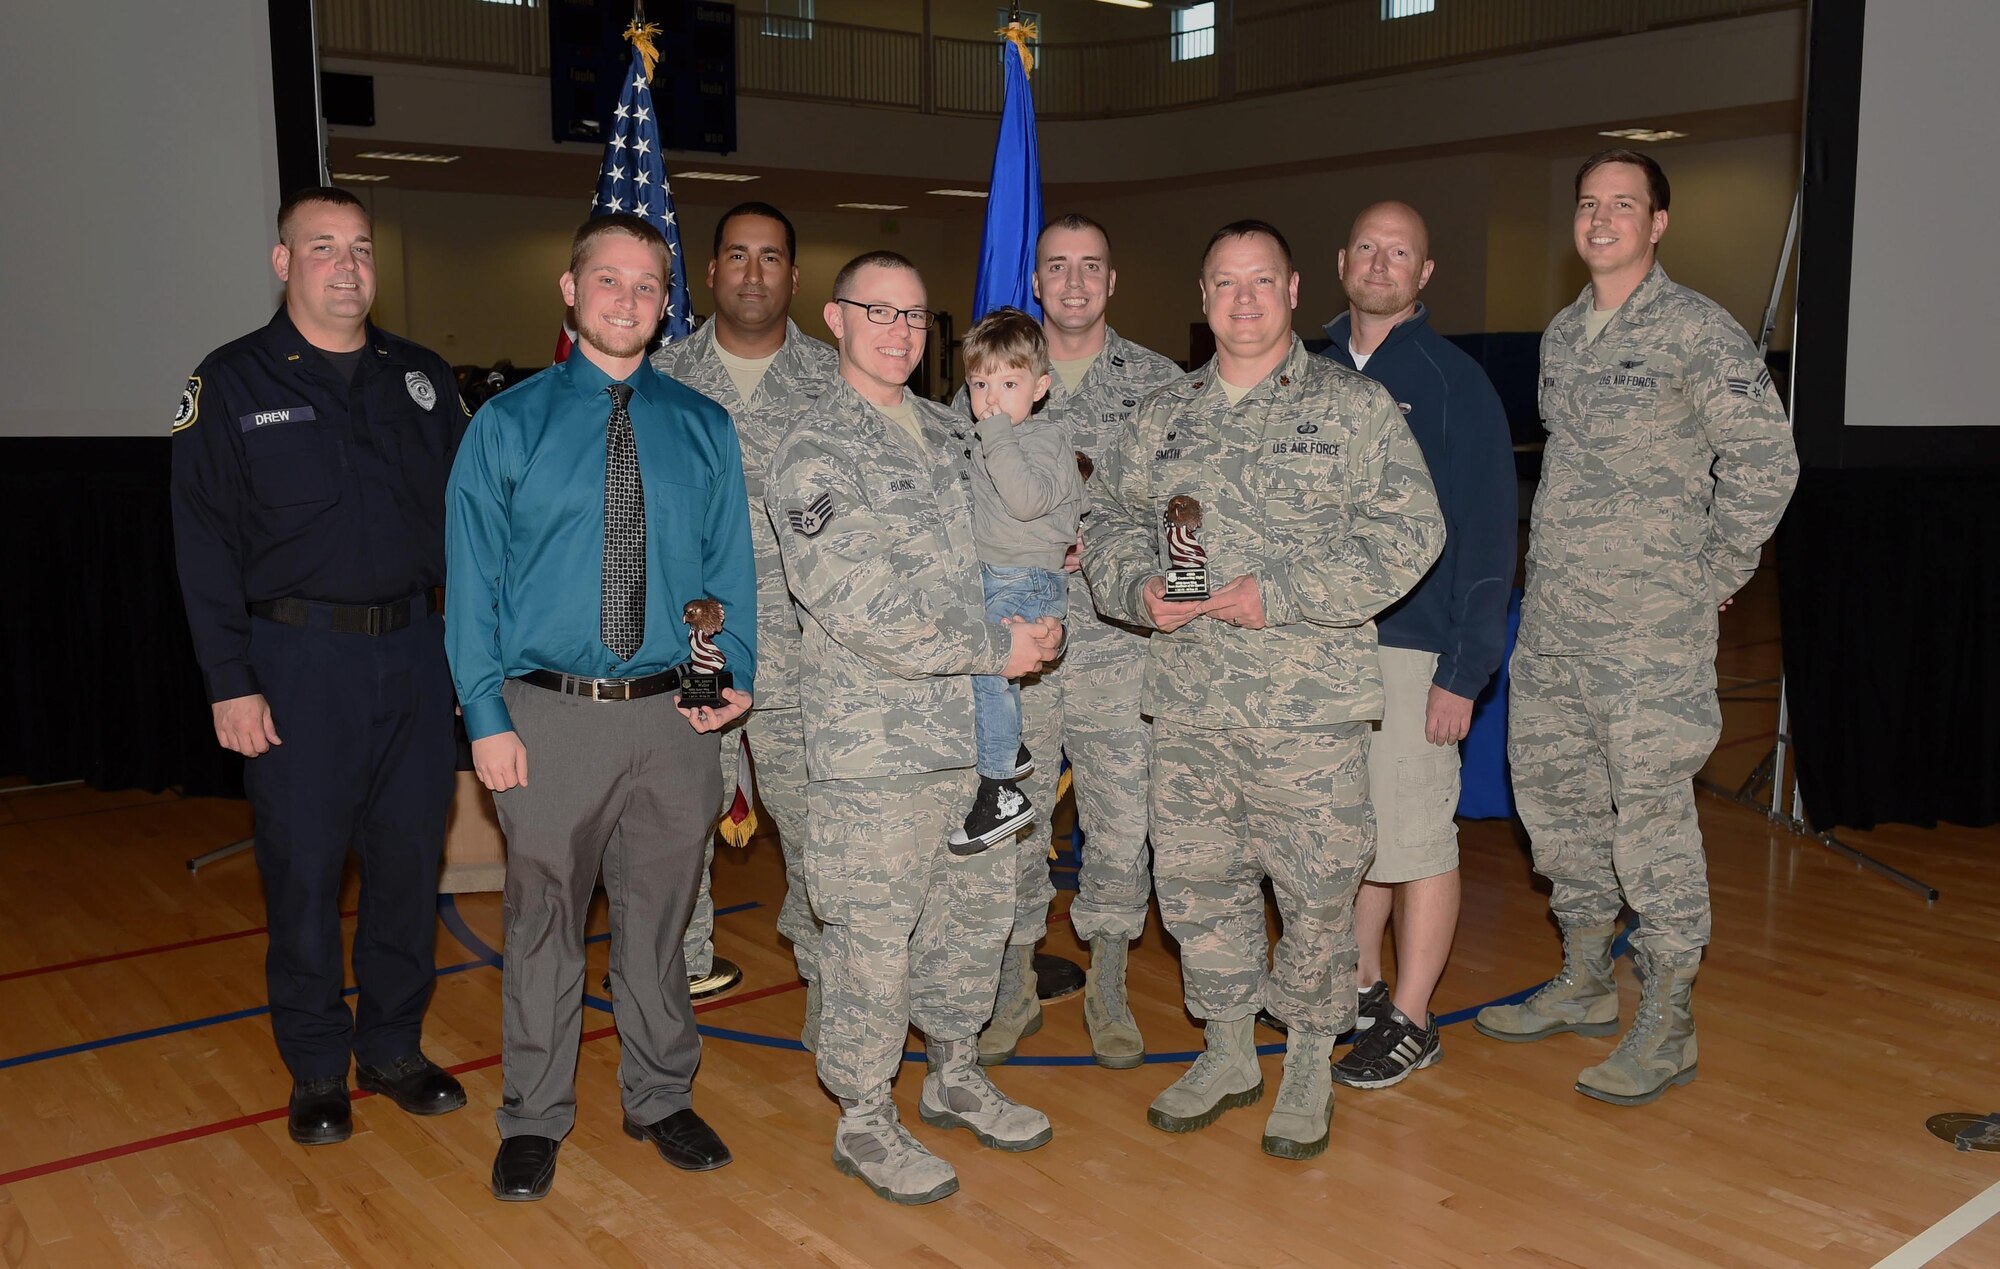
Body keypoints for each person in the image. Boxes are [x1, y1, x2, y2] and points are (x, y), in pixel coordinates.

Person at [1088, 221, 1443, 1159]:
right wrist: (1137, 589)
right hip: (1190, 706)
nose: (1242, 301)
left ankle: (1313, 1060)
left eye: (1260, 283)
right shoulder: (1160, 416)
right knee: (1199, 889)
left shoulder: (1354, 409)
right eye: (1223, 284)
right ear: (1202, 301)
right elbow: (1111, 524)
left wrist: (1277, 594)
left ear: (1292, 291)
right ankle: (1229, 1049)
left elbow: (1413, 534)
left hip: (1307, 711)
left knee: (1319, 892)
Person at [1473, 150, 1797, 1106]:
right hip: (1560, 623)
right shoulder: (1566, 334)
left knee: (1650, 819)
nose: (1602, 218)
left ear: (1658, 224)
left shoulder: (1697, 330)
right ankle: (1583, 977)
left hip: (1650, 633)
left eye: (1624, 205)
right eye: (1588, 204)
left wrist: (1711, 577)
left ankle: (1669, 1014)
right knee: (1558, 802)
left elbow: (1765, 461)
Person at [445, 213, 757, 1200]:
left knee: (661, 923)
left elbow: (729, 571)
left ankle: (661, 1093)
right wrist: (484, 718)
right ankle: (534, 1114)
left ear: (668, 303)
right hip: (547, 718)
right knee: (541, 923)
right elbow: (471, 586)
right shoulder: (506, 425)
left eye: (647, 284)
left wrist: (733, 667)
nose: (627, 299)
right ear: (569, 292)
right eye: (607, 281)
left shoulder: (703, 428)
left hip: (674, 720)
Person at [170, 186, 468, 1147]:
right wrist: (229, 679)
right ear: (282, 261)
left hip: (418, 656)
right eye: (324, 247)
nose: (347, 266)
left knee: (407, 864)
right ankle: (315, 1066)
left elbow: (472, 529)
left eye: (362, 248)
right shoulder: (233, 382)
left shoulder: (422, 380)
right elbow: (204, 544)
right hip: (295, 661)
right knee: (302, 874)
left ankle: (391, 1046)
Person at [768, 252, 1064, 1205]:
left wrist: (1047, 595)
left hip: (975, 737)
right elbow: (857, 603)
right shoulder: (816, 448)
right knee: (871, 936)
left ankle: (956, 1068)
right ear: (835, 319)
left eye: (914, 315)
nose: (899, 331)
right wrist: (998, 644)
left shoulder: (953, 431)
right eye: (877, 312)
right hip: (877, 747)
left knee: (971, 926)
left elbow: (1020, 534)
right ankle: (863, 1113)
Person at [1316, 201, 1518, 1089]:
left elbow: (1486, 535)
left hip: (1413, 651)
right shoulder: (1302, 369)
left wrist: (1464, 671)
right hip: (1315, 650)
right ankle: (1360, 992)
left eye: (1401, 251)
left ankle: (1413, 1015)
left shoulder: (1453, 381)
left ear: (1424, 274)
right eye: (1368, 246)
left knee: (1416, 836)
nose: (1382, 261)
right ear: (1340, 261)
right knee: (1351, 837)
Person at [976, 214, 1183, 1071]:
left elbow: (1186, 507)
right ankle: (1017, 982)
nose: (1072, 282)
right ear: (1034, 281)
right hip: (1017, 641)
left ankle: (1106, 978)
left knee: (1118, 815)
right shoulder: (993, 378)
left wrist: (1098, 541)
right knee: (1015, 807)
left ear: (1112, 280)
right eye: (1056, 266)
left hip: (1115, 642)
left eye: (1090, 266)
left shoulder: (1159, 383)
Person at [653, 202, 837, 1034]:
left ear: (794, 278)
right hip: (696, 654)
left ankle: (830, 980)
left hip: (811, 658)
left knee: (817, 828)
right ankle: (681, 968)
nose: (754, 273)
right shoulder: (659, 377)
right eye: (737, 256)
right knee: (679, 823)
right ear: (710, 273)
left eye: (771, 258)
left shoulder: (839, 378)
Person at [950, 307, 1083, 854]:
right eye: (981, 384)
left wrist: (997, 432)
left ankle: (1000, 788)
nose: (992, 398)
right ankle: (1012, 749)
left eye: (1009, 383)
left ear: (1042, 386)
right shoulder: (997, 436)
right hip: (1004, 572)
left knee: (990, 669)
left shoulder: (1038, 438)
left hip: (1021, 578)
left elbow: (1026, 501)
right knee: (991, 680)